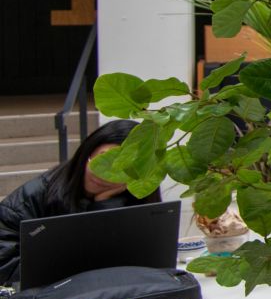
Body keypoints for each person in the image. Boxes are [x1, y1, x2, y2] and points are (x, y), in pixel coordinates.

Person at [0, 120, 157, 287]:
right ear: (87, 152)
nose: (104, 174)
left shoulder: (137, 200)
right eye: (101, 160)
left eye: (121, 170)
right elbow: (5, 269)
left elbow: (146, 262)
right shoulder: (30, 199)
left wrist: (106, 206)